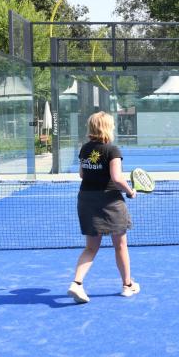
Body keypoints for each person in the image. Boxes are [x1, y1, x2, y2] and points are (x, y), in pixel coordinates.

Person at [68, 111, 139, 304]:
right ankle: (127, 285)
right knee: (121, 245)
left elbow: (82, 175)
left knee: (91, 247)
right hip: (110, 202)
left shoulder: (84, 149)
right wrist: (130, 192)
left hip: (86, 199)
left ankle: (77, 283)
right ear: (107, 127)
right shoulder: (112, 150)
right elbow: (117, 179)